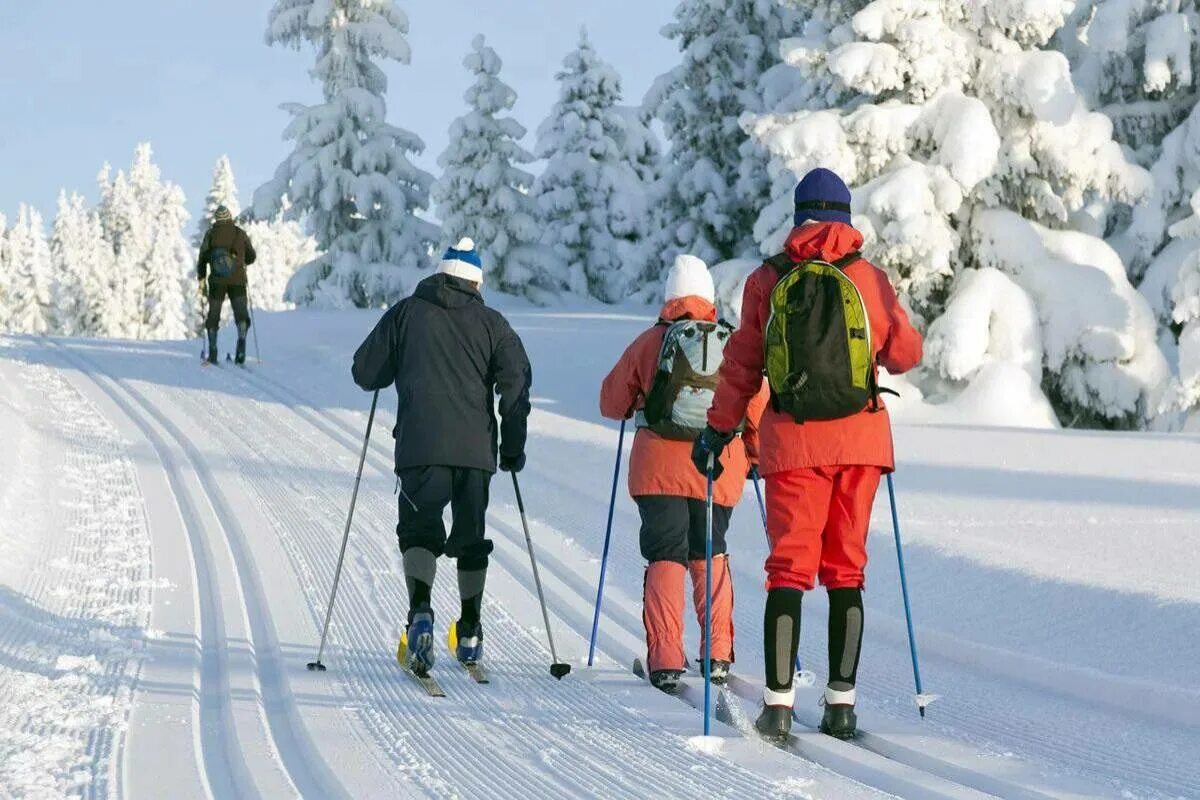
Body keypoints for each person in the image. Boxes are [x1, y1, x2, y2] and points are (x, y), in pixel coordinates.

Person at [692, 168, 923, 740]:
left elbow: (742, 365)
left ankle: (778, 704)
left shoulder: (767, 279)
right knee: (847, 569)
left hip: (792, 443)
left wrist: (719, 429)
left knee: (788, 571)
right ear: (846, 216)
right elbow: (907, 355)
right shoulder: (869, 278)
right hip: (861, 445)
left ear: (798, 216)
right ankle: (841, 704)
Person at [351, 238, 532, 676]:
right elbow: (517, 384)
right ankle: (469, 631)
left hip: (419, 448)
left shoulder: (407, 313)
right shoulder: (494, 323)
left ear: (442, 274)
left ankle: (421, 614)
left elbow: (364, 372)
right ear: (475, 282)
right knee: (471, 537)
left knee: (419, 531)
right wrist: (512, 446)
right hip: (475, 453)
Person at [600, 254, 768, 694]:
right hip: (718, 468)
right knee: (709, 553)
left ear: (669, 298)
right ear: (709, 300)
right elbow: (758, 413)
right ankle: (717, 654)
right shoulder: (732, 344)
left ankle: (666, 659)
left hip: (657, 470)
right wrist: (755, 457)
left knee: (666, 557)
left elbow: (611, 403)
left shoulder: (648, 342)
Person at [197, 205, 257, 365]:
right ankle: (241, 347)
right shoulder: (239, 233)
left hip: (216, 282)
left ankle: (213, 351)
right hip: (237, 280)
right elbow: (251, 257)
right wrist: (240, 259)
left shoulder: (210, 234)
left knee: (214, 315)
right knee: (241, 314)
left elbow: (202, 258)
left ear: (217, 219)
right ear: (229, 217)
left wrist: (201, 278)